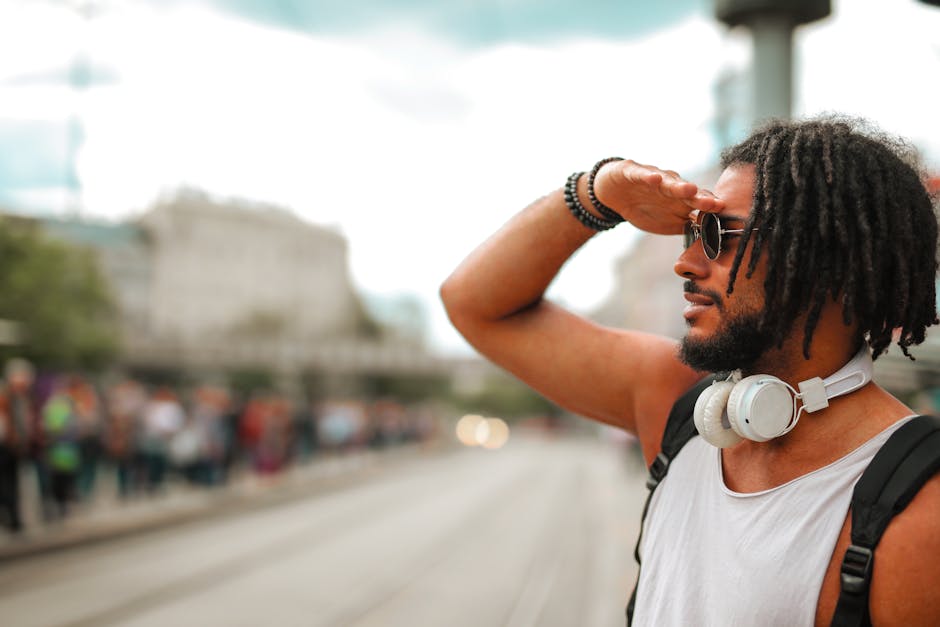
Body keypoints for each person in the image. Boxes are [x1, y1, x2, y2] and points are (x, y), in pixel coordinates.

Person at [440, 116, 940, 626]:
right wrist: (598, 194)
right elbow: (474, 304)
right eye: (693, 232)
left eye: (721, 234)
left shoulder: (919, 504)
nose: (686, 262)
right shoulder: (683, 407)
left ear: (830, 261)